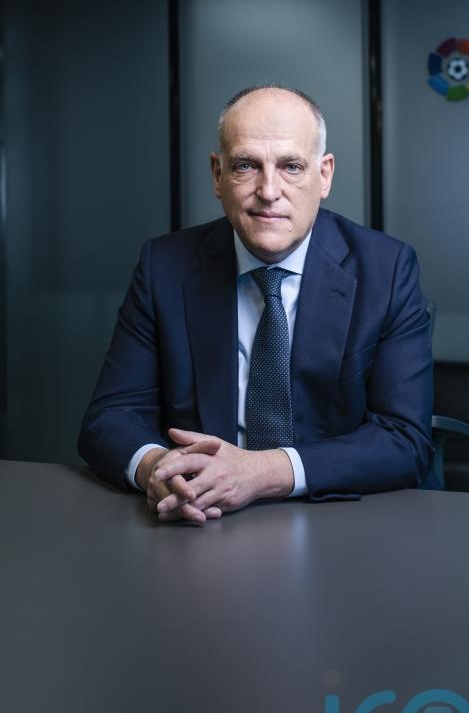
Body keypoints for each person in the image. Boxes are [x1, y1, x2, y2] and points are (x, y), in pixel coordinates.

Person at [78, 85, 433, 523]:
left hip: (338, 522)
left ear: (324, 176)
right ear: (217, 175)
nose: (269, 191)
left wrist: (261, 472)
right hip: (200, 520)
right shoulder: (164, 267)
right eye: (246, 165)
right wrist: (159, 468)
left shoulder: (387, 270)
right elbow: (110, 417)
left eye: (291, 167)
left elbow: (405, 440)